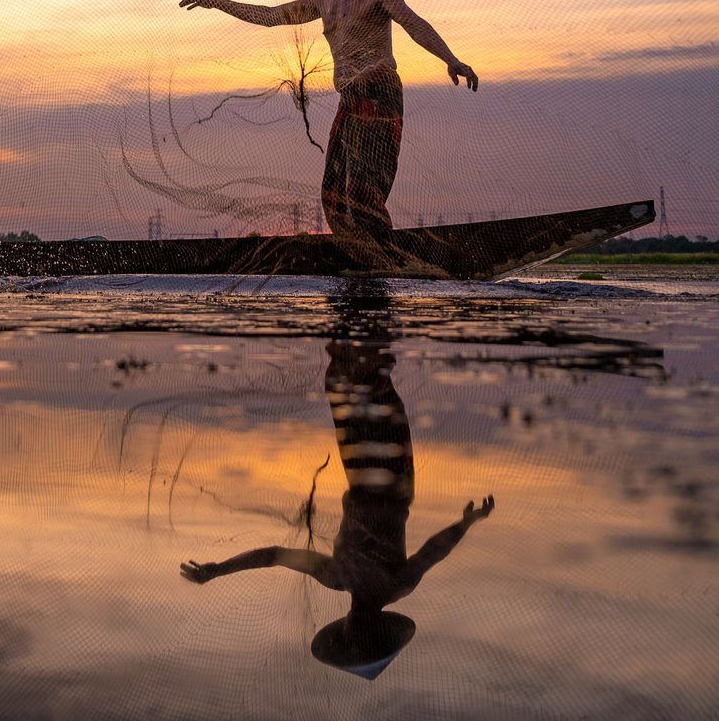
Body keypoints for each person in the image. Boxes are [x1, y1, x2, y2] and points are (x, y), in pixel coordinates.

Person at [180, 284, 495, 679]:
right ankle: (367, 301)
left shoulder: (337, 577)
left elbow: (275, 555)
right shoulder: (393, 585)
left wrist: (219, 569)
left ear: (348, 628)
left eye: (356, 635)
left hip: (365, 474)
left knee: (345, 382)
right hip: (393, 478)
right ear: (378, 628)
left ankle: (351, 302)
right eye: (368, 635)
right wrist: (466, 523)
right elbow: (434, 550)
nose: (360, 627)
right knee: (372, 384)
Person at [178, 0, 476, 251]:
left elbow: (413, 23)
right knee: (333, 191)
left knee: (363, 189)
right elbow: (270, 15)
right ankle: (355, 249)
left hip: (379, 90)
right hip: (349, 97)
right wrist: (215, 1)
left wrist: (450, 59)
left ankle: (386, 254)